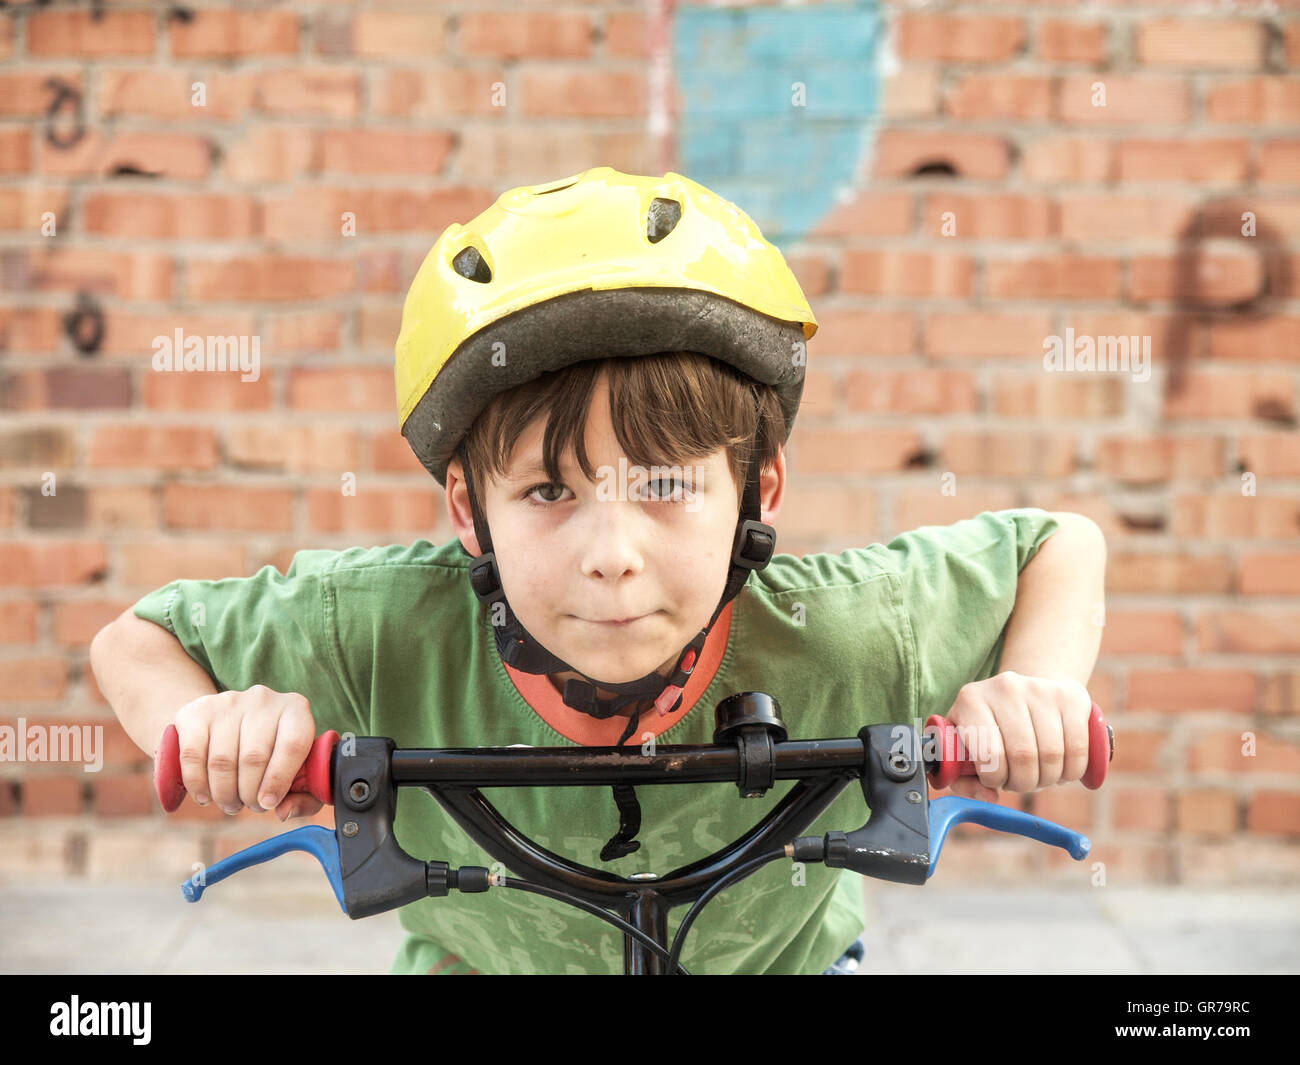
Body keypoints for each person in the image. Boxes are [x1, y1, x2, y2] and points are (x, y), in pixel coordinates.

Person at [92, 166, 1106, 975]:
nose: (612, 557)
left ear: (759, 493)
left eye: (666, 486)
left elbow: (1058, 546)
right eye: (547, 493)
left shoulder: (853, 628)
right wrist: (210, 726)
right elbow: (135, 642)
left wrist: (1038, 690)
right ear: (467, 514)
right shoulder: (382, 624)